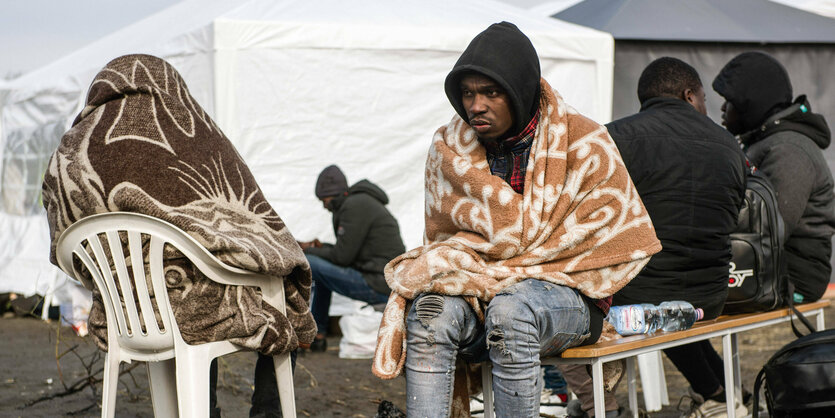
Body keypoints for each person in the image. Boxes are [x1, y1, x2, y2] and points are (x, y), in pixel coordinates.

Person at [371, 22, 662, 417]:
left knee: (511, 312)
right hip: (478, 291)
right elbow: (446, 240)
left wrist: (516, 276)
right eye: (469, 93)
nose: (476, 105)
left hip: (567, 295)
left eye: (491, 92)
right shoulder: (449, 149)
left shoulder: (583, 142)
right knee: (429, 312)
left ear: (520, 91)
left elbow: (613, 236)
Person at [40, 54, 316, 417]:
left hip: (126, 310)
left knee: (195, 281)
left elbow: (64, 241)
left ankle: (206, 409)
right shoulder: (193, 133)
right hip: (191, 303)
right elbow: (252, 221)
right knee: (272, 288)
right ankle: (267, 412)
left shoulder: (69, 151)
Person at [560, 57, 748, 418]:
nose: (708, 108)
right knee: (671, 307)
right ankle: (721, 396)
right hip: (711, 295)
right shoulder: (729, 146)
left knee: (566, 310)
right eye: (705, 99)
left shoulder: (613, 137)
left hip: (635, 298)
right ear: (689, 94)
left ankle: (600, 407)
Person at [713, 51, 835, 304]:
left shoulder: (789, 150)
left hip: (793, 275)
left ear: (751, 101)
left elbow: (770, 229)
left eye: (730, 101)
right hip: (766, 264)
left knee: (680, 290)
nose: (723, 109)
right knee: (674, 291)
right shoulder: (767, 142)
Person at [300, 165, 406, 352]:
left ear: (329, 196)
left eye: (322, 201)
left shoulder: (354, 206)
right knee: (319, 266)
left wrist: (308, 250)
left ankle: (309, 333)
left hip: (380, 284)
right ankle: (317, 335)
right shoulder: (358, 202)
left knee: (311, 264)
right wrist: (320, 247)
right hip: (382, 278)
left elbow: (342, 257)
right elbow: (347, 251)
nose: (324, 207)